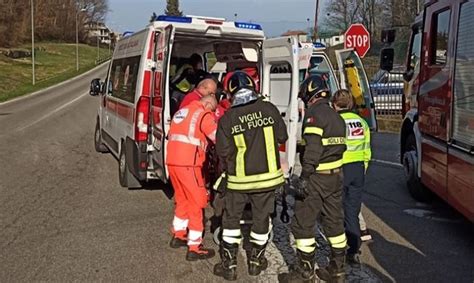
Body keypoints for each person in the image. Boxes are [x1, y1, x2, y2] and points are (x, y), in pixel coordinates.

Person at [213, 71, 288, 281]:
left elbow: (223, 151)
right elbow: (282, 136)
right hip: (267, 180)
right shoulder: (269, 109)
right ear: (253, 87)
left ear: (231, 93)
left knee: (231, 220)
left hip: (238, 181)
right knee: (261, 219)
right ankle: (256, 262)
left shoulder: (228, 118)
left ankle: (229, 266)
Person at [280, 75, 347, 283]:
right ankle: (337, 270)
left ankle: (305, 272)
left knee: (303, 223)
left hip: (317, 178)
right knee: (334, 222)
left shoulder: (314, 115)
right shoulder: (337, 116)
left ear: (310, 93)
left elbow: (314, 150)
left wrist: (304, 177)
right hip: (336, 176)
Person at [166, 95, 218, 261]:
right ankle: (195, 246)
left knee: (182, 199)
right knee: (197, 202)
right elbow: (218, 137)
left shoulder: (182, 112)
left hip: (172, 162)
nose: (212, 112)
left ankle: (179, 234)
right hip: (189, 164)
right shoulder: (203, 114)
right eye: (213, 109)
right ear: (208, 103)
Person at [331, 89, 371, 265]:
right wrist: (363, 168)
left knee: (335, 211)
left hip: (341, 168)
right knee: (352, 211)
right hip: (358, 170)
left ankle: (338, 248)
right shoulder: (362, 122)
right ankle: (354, 250)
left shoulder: (337, 121)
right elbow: (367, 149)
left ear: (334, 104)